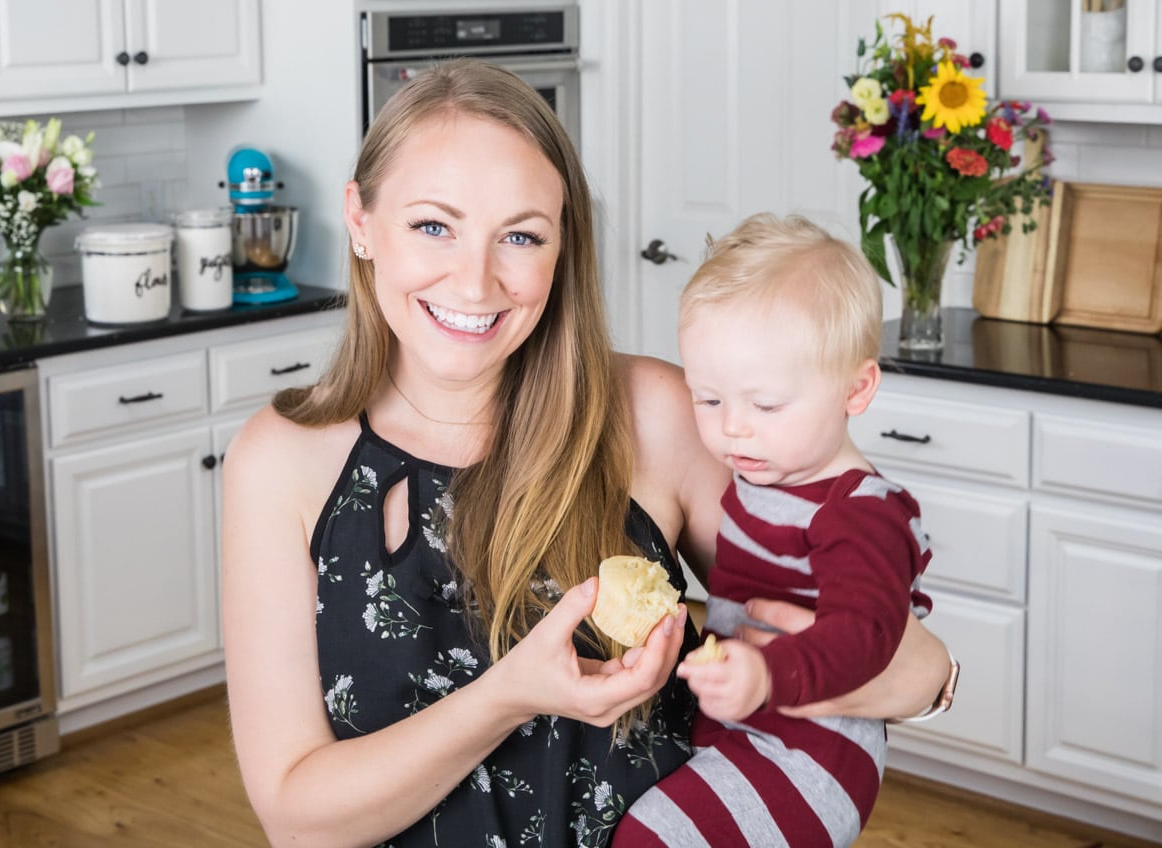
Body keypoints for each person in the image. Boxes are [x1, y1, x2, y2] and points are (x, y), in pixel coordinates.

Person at [220, 59, 952, 848]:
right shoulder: (281, 463)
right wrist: (509, 694)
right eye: (434, 225)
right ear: (361, 222)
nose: (475, 282)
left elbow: (915, 667)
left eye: (521, 236)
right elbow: (298, 819)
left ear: (563, 244)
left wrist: (914, 678)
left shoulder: (656, 414)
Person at [614, 213, 939, 848]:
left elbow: (865, 636)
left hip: (811, 756)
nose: (733, 428)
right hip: (748, 731)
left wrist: (766, 677)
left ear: (857, 388)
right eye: (709, 399)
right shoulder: (770, 473)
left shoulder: (857, 512)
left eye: (765, 405)